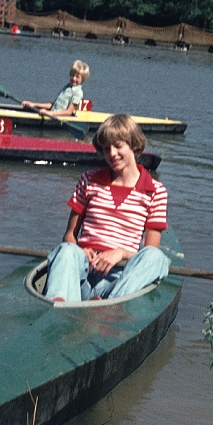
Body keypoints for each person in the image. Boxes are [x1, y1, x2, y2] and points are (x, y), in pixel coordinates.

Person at [43, 114, 170, 302]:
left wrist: (120, 253)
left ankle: (107, 306)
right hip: (82, 275)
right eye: (106, 149)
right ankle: (59, 306)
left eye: (118, 146)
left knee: (157, 258)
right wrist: (78, 248)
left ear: (134, 145)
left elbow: (148, 251)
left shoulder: (156, 191)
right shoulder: (88, 180)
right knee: (67, 250)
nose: (111, 154)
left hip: (119, 280)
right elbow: (70, 235)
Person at [21, 60, 90, 118]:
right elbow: (53, 105)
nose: (74, 78)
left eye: (77, 77)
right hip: (52, 113)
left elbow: (68, 112)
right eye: (72, 75)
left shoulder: (77, 92)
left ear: (82, 79)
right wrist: (33, 104)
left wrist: (48, 113)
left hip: (58, 117)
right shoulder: (67, 87)